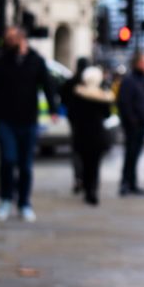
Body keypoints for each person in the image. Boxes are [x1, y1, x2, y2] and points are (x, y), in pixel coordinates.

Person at [0, 26, 58, 222]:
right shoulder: (2, 60)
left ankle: (24, 202)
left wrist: (53, 109)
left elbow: (47, 84)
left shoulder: (36, 60)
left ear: (21, 38)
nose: (8, 41)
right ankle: (6, 199)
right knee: (8, 160)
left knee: (25, 165)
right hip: (6, 119)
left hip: (28, 119)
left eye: (12, 38)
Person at [71, 65, 114, 205]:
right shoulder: (102, 96)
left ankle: (87, 187)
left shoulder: (77, 95)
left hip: (82, 134)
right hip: (96, 135)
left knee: (84, 163)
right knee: (94, 165)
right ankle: (92, 191)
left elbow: (72, 114)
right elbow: (107, 114)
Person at [116, 52, 144, 196]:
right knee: (130, 154)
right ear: (138, 63)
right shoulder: (130, 80)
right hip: (134, 124)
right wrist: (132, 120)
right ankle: (125, 183)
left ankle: (132, 183)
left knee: (136, 154)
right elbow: (124, 103)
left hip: (142, 122)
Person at [60, 56, 90, 194]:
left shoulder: (71, 82)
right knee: (87, 151)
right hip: (88, 123)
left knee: (77, 150)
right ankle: (86, 178)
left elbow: (63, 98)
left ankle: (78, 178)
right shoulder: (89, 83)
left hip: (75, 120)